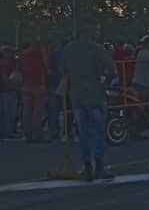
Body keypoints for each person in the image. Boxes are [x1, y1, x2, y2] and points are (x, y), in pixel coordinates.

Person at [62, 17, 117, 181]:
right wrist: (104, 83)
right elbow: (112, 70)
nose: (98, 33)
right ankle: (99, 166)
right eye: (97, 29)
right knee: (99, 132)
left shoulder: (68, 48)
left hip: (76, 95)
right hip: (94, 94)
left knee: (84, 133)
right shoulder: (97, 49)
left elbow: (64, 71)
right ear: (91, 30)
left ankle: (87, 167)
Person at [18, 39, 49, 142]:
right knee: (37, 111)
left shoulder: (23, 53)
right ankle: (37, 135)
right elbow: (46, 65)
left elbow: (20, 68)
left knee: (27, 110)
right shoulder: (41, 50)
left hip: (26, 83)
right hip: (38, 83)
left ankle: (27, 134)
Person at [0, 47, 19, 140]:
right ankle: (7, 132)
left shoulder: (12, 63)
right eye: (9, 52)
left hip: (9, 90)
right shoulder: (4, 64)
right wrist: (14, 85)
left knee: (8, 113)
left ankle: (7, 131)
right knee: (8, 113)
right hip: (7, 91)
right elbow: (4, 77)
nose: (11, 54)